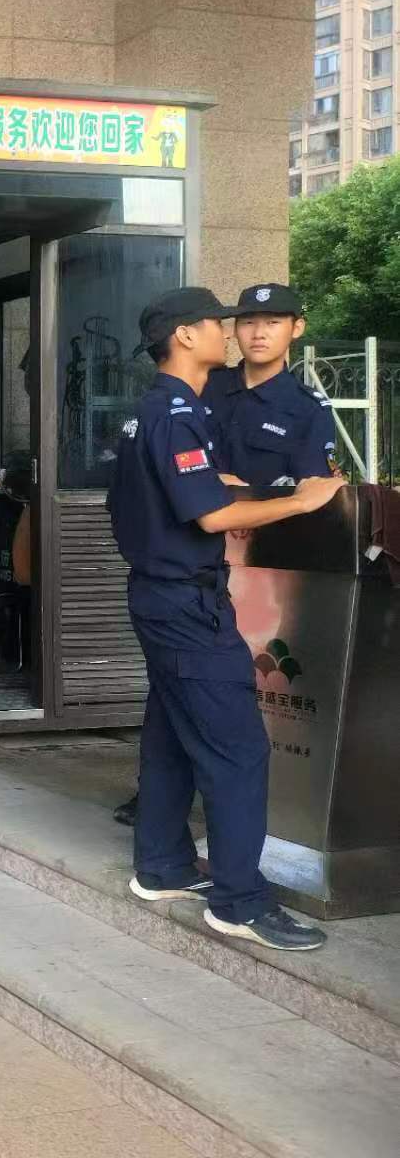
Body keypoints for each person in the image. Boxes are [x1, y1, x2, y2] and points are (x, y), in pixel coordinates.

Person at [107, 289, 344, 952]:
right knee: (238, 751)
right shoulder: (180, 413)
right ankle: (239, 902)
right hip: (188, 605)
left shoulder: (152, 412)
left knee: (170, 736)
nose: (233, 331)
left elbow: (158, 499)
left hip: (159, 594)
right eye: (221, 321)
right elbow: (211, 515)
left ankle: (162, 868)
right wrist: (302, 501)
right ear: (186, 335)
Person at [207, 283, 338, 488]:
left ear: (297, 328)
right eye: (248, 322)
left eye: (272, 322)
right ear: (235, 329)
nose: (259, 333)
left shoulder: (308, 409)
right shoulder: (205, 385)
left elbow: (311, 494)